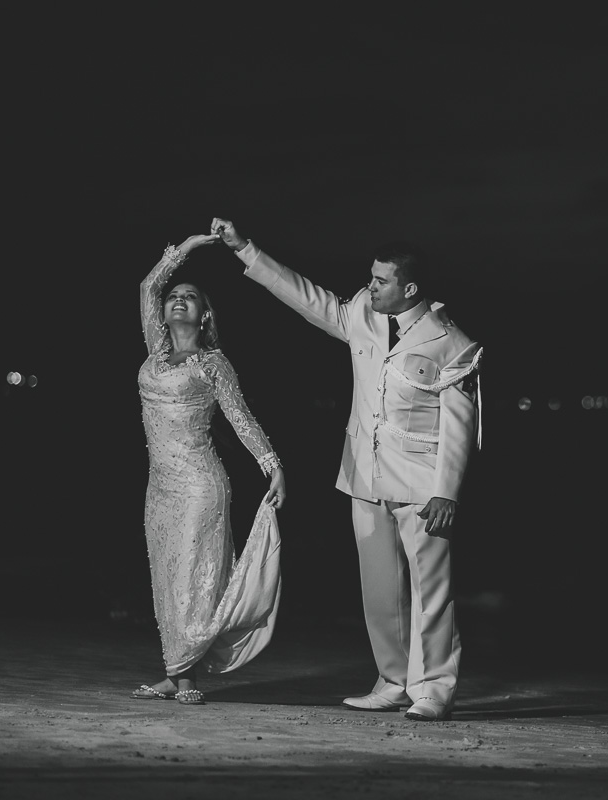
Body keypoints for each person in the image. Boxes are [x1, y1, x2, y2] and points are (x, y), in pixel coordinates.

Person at [211, 218, 482, 721]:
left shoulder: (451, 342)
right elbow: (309, 299)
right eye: (371, 278)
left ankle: (434, 688)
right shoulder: (363, 312)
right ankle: (394, 680)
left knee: (431, 591)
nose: (370, 286)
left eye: (381, 280)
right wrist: (246, 249)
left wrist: (448, 491)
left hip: (424, 484)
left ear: (410, 288)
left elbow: (462, 427)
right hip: (364, 474)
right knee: (379, 589)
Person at [133, 234, 288, 706]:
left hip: (201, 485)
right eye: (174, 297)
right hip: (159, 486)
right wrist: (190, 244)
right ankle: (173, 669)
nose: (178, 300)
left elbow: (240, 417)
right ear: (163, 312)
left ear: (205, 315)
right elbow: (147, 285)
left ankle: (186, 678)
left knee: (193, 578)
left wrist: (272, 465)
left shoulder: (214, 363)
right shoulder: (155, 353)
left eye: (191, 297)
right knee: (165, 576)